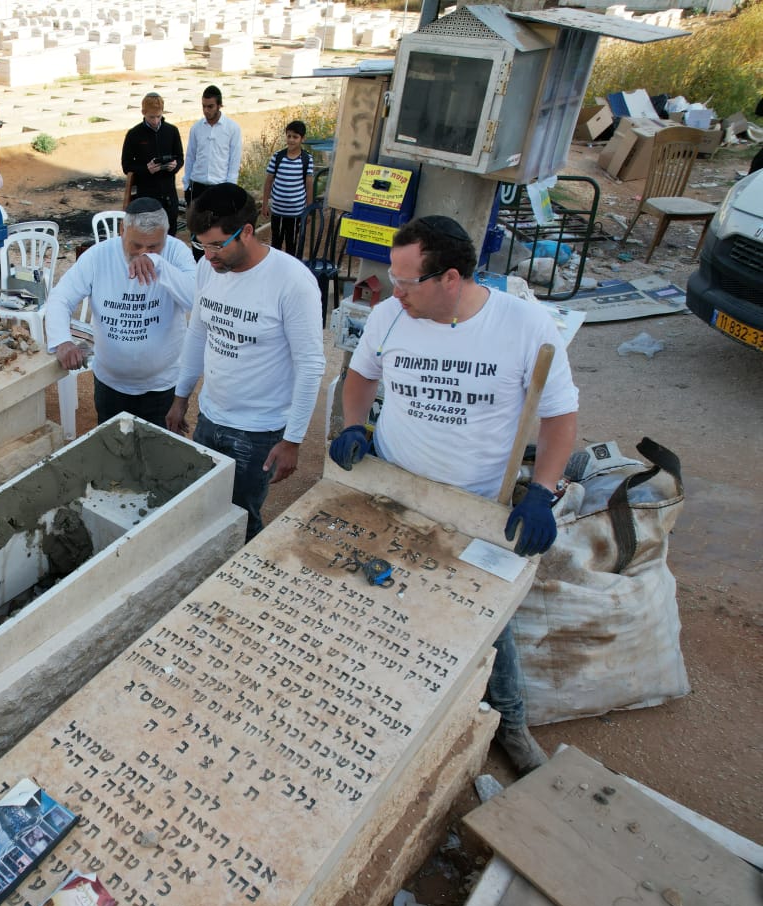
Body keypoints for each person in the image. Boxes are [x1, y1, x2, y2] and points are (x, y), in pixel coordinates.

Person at [328, 214, 579, 776]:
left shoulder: (523, 326)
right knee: (380, 589)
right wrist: (353, 425)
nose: (395, 293)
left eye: (407, 281)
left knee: (489, 616)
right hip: (393, 488)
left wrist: (539, 492)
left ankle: (510, 723)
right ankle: (390, 698)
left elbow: (560, 416)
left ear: (450, 278)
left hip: (475, 505)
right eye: (394, 279)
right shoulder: (391, 318)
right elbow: (360, 377)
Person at [166, 183, 325, 540]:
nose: (207, 255)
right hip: (210, 416)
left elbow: (311, 364)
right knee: (201, 508)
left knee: (240, 520)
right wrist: (181, 397)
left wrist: (293, 439)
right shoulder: (210, 269)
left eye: (217, 244)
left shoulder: (292, 282)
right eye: (201, 244)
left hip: (259, 432)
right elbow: (198, 334)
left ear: (248, 232)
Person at [44, 197, 196, 425]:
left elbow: (195, 300)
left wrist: (160, 264)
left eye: (154, 246)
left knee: (157, 454)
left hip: (161, 384)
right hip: (110, 384)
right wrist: (62, 341)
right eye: (136, 245)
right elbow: (61, 297)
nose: (144, 253)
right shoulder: (99, 255)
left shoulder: (176, 252)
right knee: (113, 450)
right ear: (122, 230)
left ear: (165, 235)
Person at [183, 85, 242, 260]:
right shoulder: (196, 128)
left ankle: (217, 271)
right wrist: (187, 185)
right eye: (203, 106)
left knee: (218, 233)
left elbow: (234, 161)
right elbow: (190, 157)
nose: (206, 110)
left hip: (220, 188)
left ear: (219, 106)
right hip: (198, 187)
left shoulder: (232, 129)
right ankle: (197, 269)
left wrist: (230, 190)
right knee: (197, 233)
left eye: (210, 106)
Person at [121, 92, 183, 236]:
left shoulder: (171, 131)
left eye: (158, 117)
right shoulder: (134, 134)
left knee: (170, 236)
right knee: (148, 236)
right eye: (151, 117)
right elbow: (126, 165)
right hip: (147, 196)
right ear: (143, 113)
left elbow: (180, 158)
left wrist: (175, 166)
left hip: (169, 195)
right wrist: (146, 169)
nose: (155, 121)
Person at [260, 120, 315, 255]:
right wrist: (265, 204)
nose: (291, 140)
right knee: (276, 243)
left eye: (295, 137)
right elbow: (268, 182)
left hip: (295, 212)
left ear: (302, 139)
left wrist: (309, 210)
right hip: (278, 211)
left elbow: (309, 186)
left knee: (291, 244)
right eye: (289, 136)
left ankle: (289, 272)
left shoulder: (307, 159)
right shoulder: (278, 157)